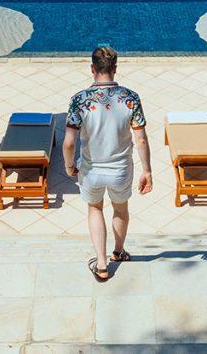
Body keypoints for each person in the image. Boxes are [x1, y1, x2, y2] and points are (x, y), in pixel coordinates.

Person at [63, 46, 153, 282]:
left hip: (91, 170)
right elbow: (141, 138)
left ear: (92, 69)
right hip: (121, 170)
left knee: (95, 209)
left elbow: (69, 144)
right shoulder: (131, 98)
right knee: (120, 209)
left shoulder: (79, 101)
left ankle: (101, 263)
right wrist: (147, 171)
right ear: (115, 69)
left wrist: (69, 166)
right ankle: (118, 251)